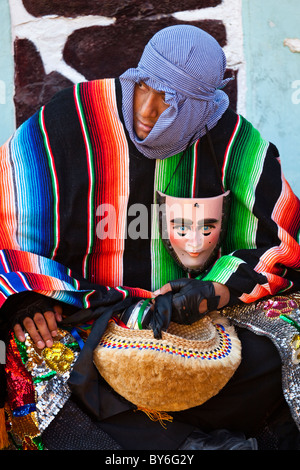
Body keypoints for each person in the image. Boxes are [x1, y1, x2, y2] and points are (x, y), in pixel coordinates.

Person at [0, 24, 300, 451]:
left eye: (170, 100)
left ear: (204, 107)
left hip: (199, 318)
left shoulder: (232, 140)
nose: (146, 107)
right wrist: (29, 295)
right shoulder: (73, 118)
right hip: (88, 314)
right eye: (144, 86)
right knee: (35, 361)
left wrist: (211, 290)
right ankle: (196, 447)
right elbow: (8, 212)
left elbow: (279, 239)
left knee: (291, 332)